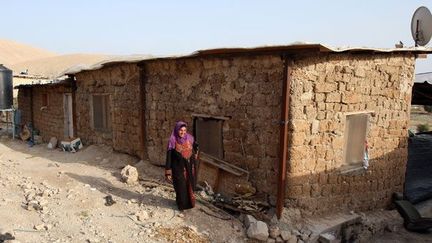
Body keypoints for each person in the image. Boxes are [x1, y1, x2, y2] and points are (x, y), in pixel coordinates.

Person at [165, 121, 199, 211]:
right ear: (177, 130)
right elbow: (169, 157)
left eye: (184, 130)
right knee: (180, 187)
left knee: (190, 185)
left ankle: (190, 204)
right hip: (178, 169)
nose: (183, 132)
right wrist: (168, 171)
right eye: (181, 130)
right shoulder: (172, 141)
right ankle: (181, 205)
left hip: (190, 168)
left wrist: (195, 153)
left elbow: (195, 146)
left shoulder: (190, 138)